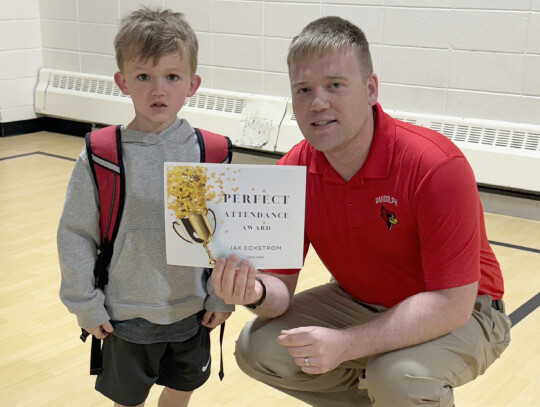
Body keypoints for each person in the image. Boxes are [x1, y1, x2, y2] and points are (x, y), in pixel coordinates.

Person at [211, 16, 511, 407]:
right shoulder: (292, 171)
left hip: (468, 309)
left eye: (335, 85)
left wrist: (346, 344)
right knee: (259, 347)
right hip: (361, 299)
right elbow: (280, 291)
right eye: (303, 90)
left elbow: (450, 303)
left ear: (370, 89)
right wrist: (254, 291)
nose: (318, 103)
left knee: (398, 377)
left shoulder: (436, 166)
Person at [58, 7, 233, 407]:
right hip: (126, 314)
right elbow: (75, 234)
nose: (159, 90)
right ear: (122, 82)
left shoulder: (211, 153)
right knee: (128, 400)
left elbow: (224, 236)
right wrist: (85, 303)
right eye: (144, 77)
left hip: (194, 310)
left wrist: (222, 297)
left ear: (192, 83)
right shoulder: (102, 155)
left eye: (172, 76)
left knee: (180, 392)